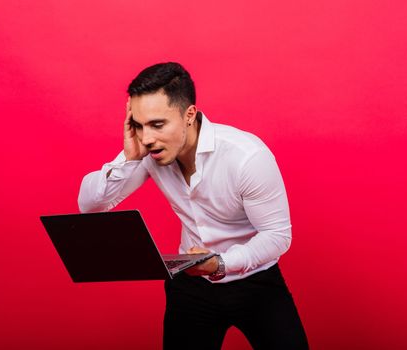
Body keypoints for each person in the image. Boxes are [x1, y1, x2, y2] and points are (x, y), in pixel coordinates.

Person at [78, 62, 308, 349]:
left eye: (157, 124)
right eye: (138, 125)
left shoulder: (247, 157)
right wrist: (128, 158)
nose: (147, 138)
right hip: (191, 287)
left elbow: (277, 236)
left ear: (189, 115)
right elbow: (90, 206)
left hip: (255, 280)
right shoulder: (147, 150)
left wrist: (221, 263)